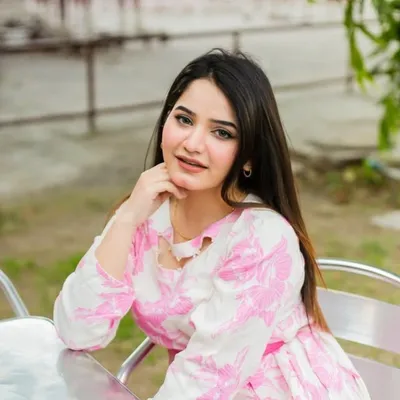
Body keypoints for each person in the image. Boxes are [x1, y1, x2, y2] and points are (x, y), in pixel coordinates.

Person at [53, 48, 370, 399]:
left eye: (221, 133)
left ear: (249, 157)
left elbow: (207, 377)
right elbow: (78, 331)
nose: (192, 144)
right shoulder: (146, 212)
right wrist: (127, 217)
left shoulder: (263, 239)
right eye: (184, 120)